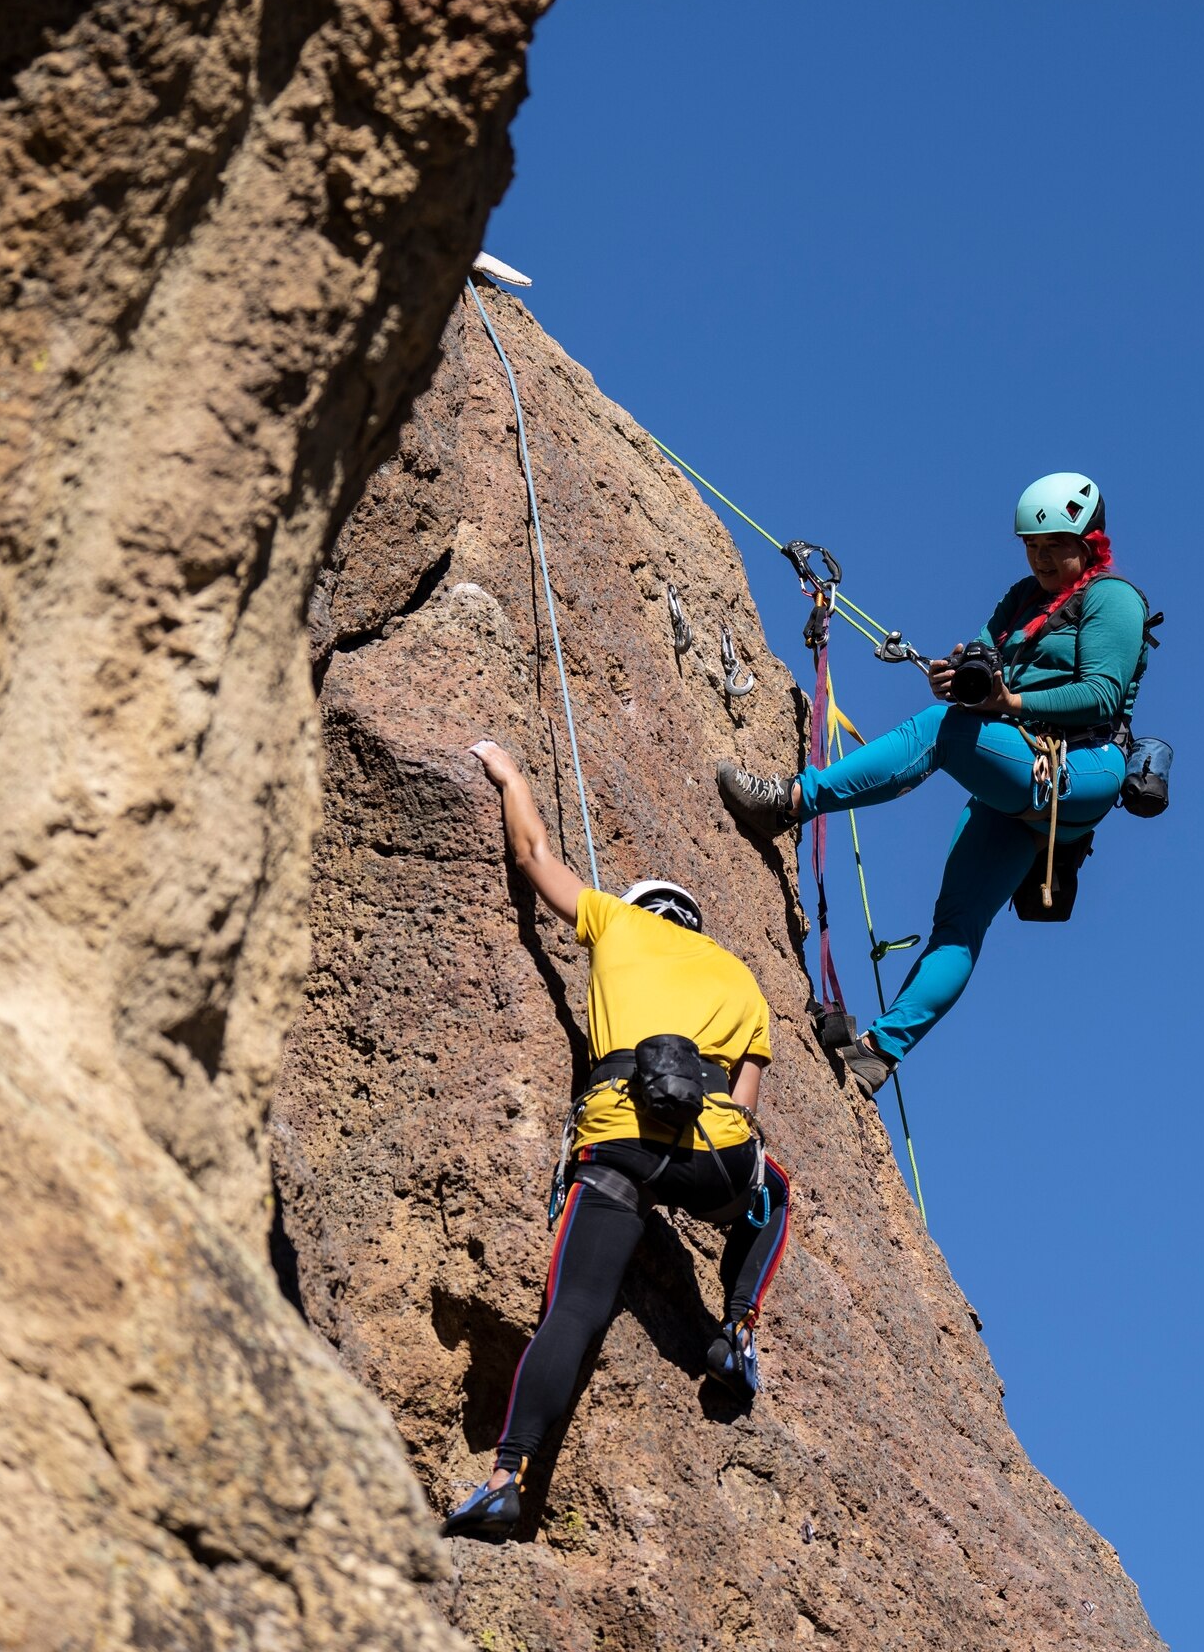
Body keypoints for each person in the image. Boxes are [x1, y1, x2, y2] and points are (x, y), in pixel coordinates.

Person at [439, 738, 794, 1543]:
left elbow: (533, 855)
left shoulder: (615, 921)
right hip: (712, 1152)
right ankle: (737, 1333)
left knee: (574, 1311)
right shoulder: (742, 981)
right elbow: (744, 1106)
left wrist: (509, 773)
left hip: (619, 1141)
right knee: (773, 1189)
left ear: (641, 906)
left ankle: (505, 1479)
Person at [718, 470, 1150, 1098]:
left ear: (1090, 542)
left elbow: (1101, 694)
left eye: (1055, 545)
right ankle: (879, 1054)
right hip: (1023, 767)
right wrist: (955, 677)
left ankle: (791, 802)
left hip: (1081, 766)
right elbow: (983, 660)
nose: (1040, 558)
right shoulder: (1021, 598)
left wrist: (1009, 700)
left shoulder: (1114, 599)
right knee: (958, 922)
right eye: (1031, 546)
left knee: (941, 732)